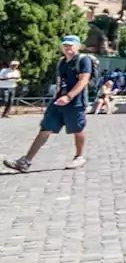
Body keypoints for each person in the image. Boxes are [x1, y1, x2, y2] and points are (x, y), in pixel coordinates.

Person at [4, 35, 93, 172]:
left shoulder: (83, 60)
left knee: (77, 129)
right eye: (65, 45)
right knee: (45, 128)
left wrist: (69, 96)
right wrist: (57, 96)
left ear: (78, 46)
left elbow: (83, 80)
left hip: (75, 101)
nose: (68, 48)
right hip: (58, 100)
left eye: (71, 45)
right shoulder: (61, 62)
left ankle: (79, 156)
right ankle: (26, 161)